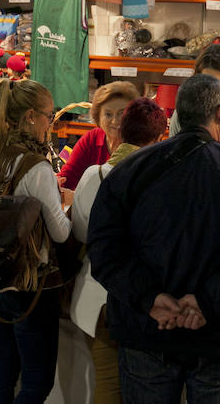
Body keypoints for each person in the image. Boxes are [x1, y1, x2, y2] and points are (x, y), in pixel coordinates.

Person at [87, 74, 220, 404]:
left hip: (147, 331)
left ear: (177, 115)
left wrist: (150, 298)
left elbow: (104, 249)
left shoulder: (128, 172)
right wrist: (207, 303)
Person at [0, 79, 72, 403]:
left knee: (0, 376)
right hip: (28, 283)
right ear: (30, 116)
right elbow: (60, 232)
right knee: (36, 382)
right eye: (49, 115)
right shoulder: (35, 166)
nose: (51, 122)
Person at [70, 97, 167, 404]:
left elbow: (81, 232)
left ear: (120, 132)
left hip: (97, 298)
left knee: (108, 384)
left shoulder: (95, 175)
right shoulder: (166, 179)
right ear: (160, 137)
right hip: (146, 298)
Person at [57, 80, 139, 190]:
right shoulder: (91, 139)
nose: (115, 121)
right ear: (98, 117)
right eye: (108, 114)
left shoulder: (141, 143)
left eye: (122, 113)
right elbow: (66, 178)